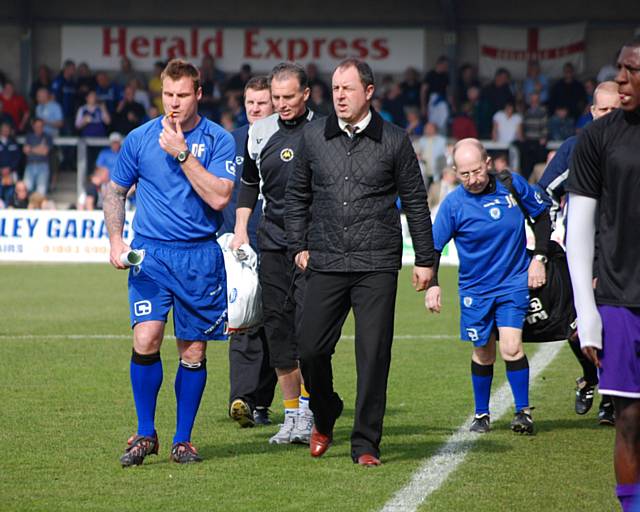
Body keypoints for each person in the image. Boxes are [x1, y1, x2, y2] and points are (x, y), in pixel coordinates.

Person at [285, 58, 435, 466]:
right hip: (326, 260)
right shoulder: (314, 136)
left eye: (347, 89)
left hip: (377, 263)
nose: (339, 96)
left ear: (368, 91)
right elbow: (297, 196)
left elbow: (417, 204)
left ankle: (366, 443)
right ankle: (326, 409)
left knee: (373, 356)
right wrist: (298, 243)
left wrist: (426, 261)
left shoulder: (395, 140)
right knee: (311, 349)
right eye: (335, 89)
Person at [103, 58, 235, 466]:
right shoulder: (140, 138)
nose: (173, 104)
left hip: (199, 255)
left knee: (192, 351)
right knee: (146, 339)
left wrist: (182, 155)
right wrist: (115, 240)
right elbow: (115, 191)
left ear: (198, 94)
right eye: (167, 95)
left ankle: (183, 439)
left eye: (182, 95)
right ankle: (145, 433)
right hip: (151, 254)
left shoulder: (218, 140)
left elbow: (219, 197)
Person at [426, 138, 550, 435]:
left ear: (489, 164)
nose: (472, 180)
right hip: (475, 290)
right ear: (455, 172)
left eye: (477, 172)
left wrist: (539, 259)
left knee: (511, 347)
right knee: (483, 353)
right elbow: (432, 248)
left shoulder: (512, 186)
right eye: (464, 174)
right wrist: (432, 284)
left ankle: (523, 412)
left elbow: (542, 216)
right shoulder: (453, 204)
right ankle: (482, 414)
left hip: (512, 283)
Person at [566, 38, 640, 511]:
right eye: (620, 69)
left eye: (632, 70)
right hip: (619, 297)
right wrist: (586, 310)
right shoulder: (598, 137)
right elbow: (579, 231)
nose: (622, 79)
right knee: (630, 421)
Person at [232, 62, 316, 445]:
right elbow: (249, 183)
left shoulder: (324, 132)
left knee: (311, 335)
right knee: (278, 332)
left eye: (287, 97)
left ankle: (313, 411)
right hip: (272, 244)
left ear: (306, 95)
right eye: (276, 98)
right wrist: (240, 230)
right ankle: (292, 416)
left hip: (315, 248)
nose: (280, 105)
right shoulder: (259, 133)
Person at [538, 80, 619, 426]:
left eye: (615, 109)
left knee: (618, 327)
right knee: (577, 328)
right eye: (602, 110)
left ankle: (613, 398)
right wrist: (552, 241)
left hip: (623, 254)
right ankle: (591, 377)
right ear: (592, 111)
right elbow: (543, 195)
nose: (608, 116)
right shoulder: (576, 148)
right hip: (581, 253)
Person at [219, 76, 277, 428]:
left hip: (279, 244)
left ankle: (261, 402)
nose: (254, 109)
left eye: (262, 103)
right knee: (242, 321)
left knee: (275, 325)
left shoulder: (290, 139)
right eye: (250, 103)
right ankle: (241, 397)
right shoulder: (231, 142)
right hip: (239, 246)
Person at [23, 118, 53, 195]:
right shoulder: (29, 136)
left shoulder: (47, 136)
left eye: (40, 126)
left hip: (43, 165)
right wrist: (39, 148)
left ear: (43, 127)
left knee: (41, 192)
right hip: (30, 165)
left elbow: (45, 152)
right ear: (33, 126)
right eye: (37, 126)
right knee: (26, 189)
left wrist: (31, 149)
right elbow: (25, 150)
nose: (38, 128)